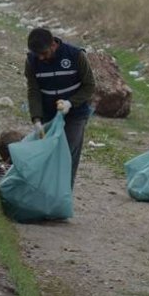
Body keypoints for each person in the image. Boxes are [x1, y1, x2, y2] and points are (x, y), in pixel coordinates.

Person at [24, 27, 96, 187]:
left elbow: (89, 86)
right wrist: (36, 119)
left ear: (53, 45)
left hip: (76, 113)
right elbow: (33, 91)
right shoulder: (31, 61)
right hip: (49, 113)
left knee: (68, 154)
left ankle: (63, 195)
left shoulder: (76, 55)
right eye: (38, 55)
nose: (41, 58)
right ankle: (47, 191)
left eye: (44, 54)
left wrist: (70, 103)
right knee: (48, 153)